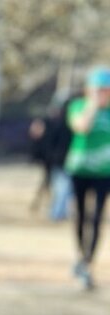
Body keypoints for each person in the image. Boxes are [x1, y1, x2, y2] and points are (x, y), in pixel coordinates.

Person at [65, 67, 110, 290]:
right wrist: (93, 105)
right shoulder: (78, 106)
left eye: (106, 90)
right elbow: (81, 127)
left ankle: (88, 262)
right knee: (81, 216)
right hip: (79, 169)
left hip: (104, 172)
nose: (103, 94)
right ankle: (81, 256)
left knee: (97, 218)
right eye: (99, 89)